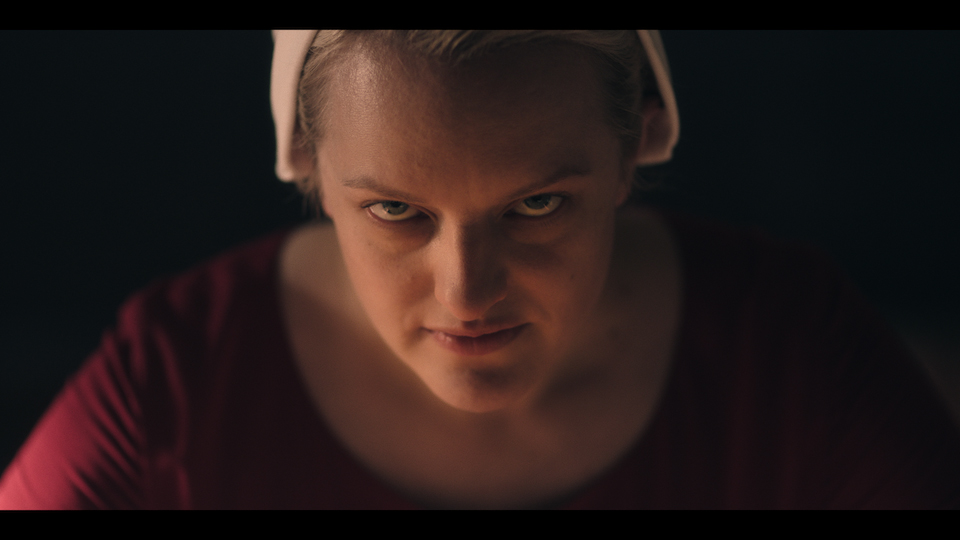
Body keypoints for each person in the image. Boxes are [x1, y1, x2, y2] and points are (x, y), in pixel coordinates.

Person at [1, 30, 958, 509]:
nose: (466, 291)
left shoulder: (793, 363)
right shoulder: (172, 392)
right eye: (396, 212)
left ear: (637, 143)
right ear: (308, 165)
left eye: (536, 206)